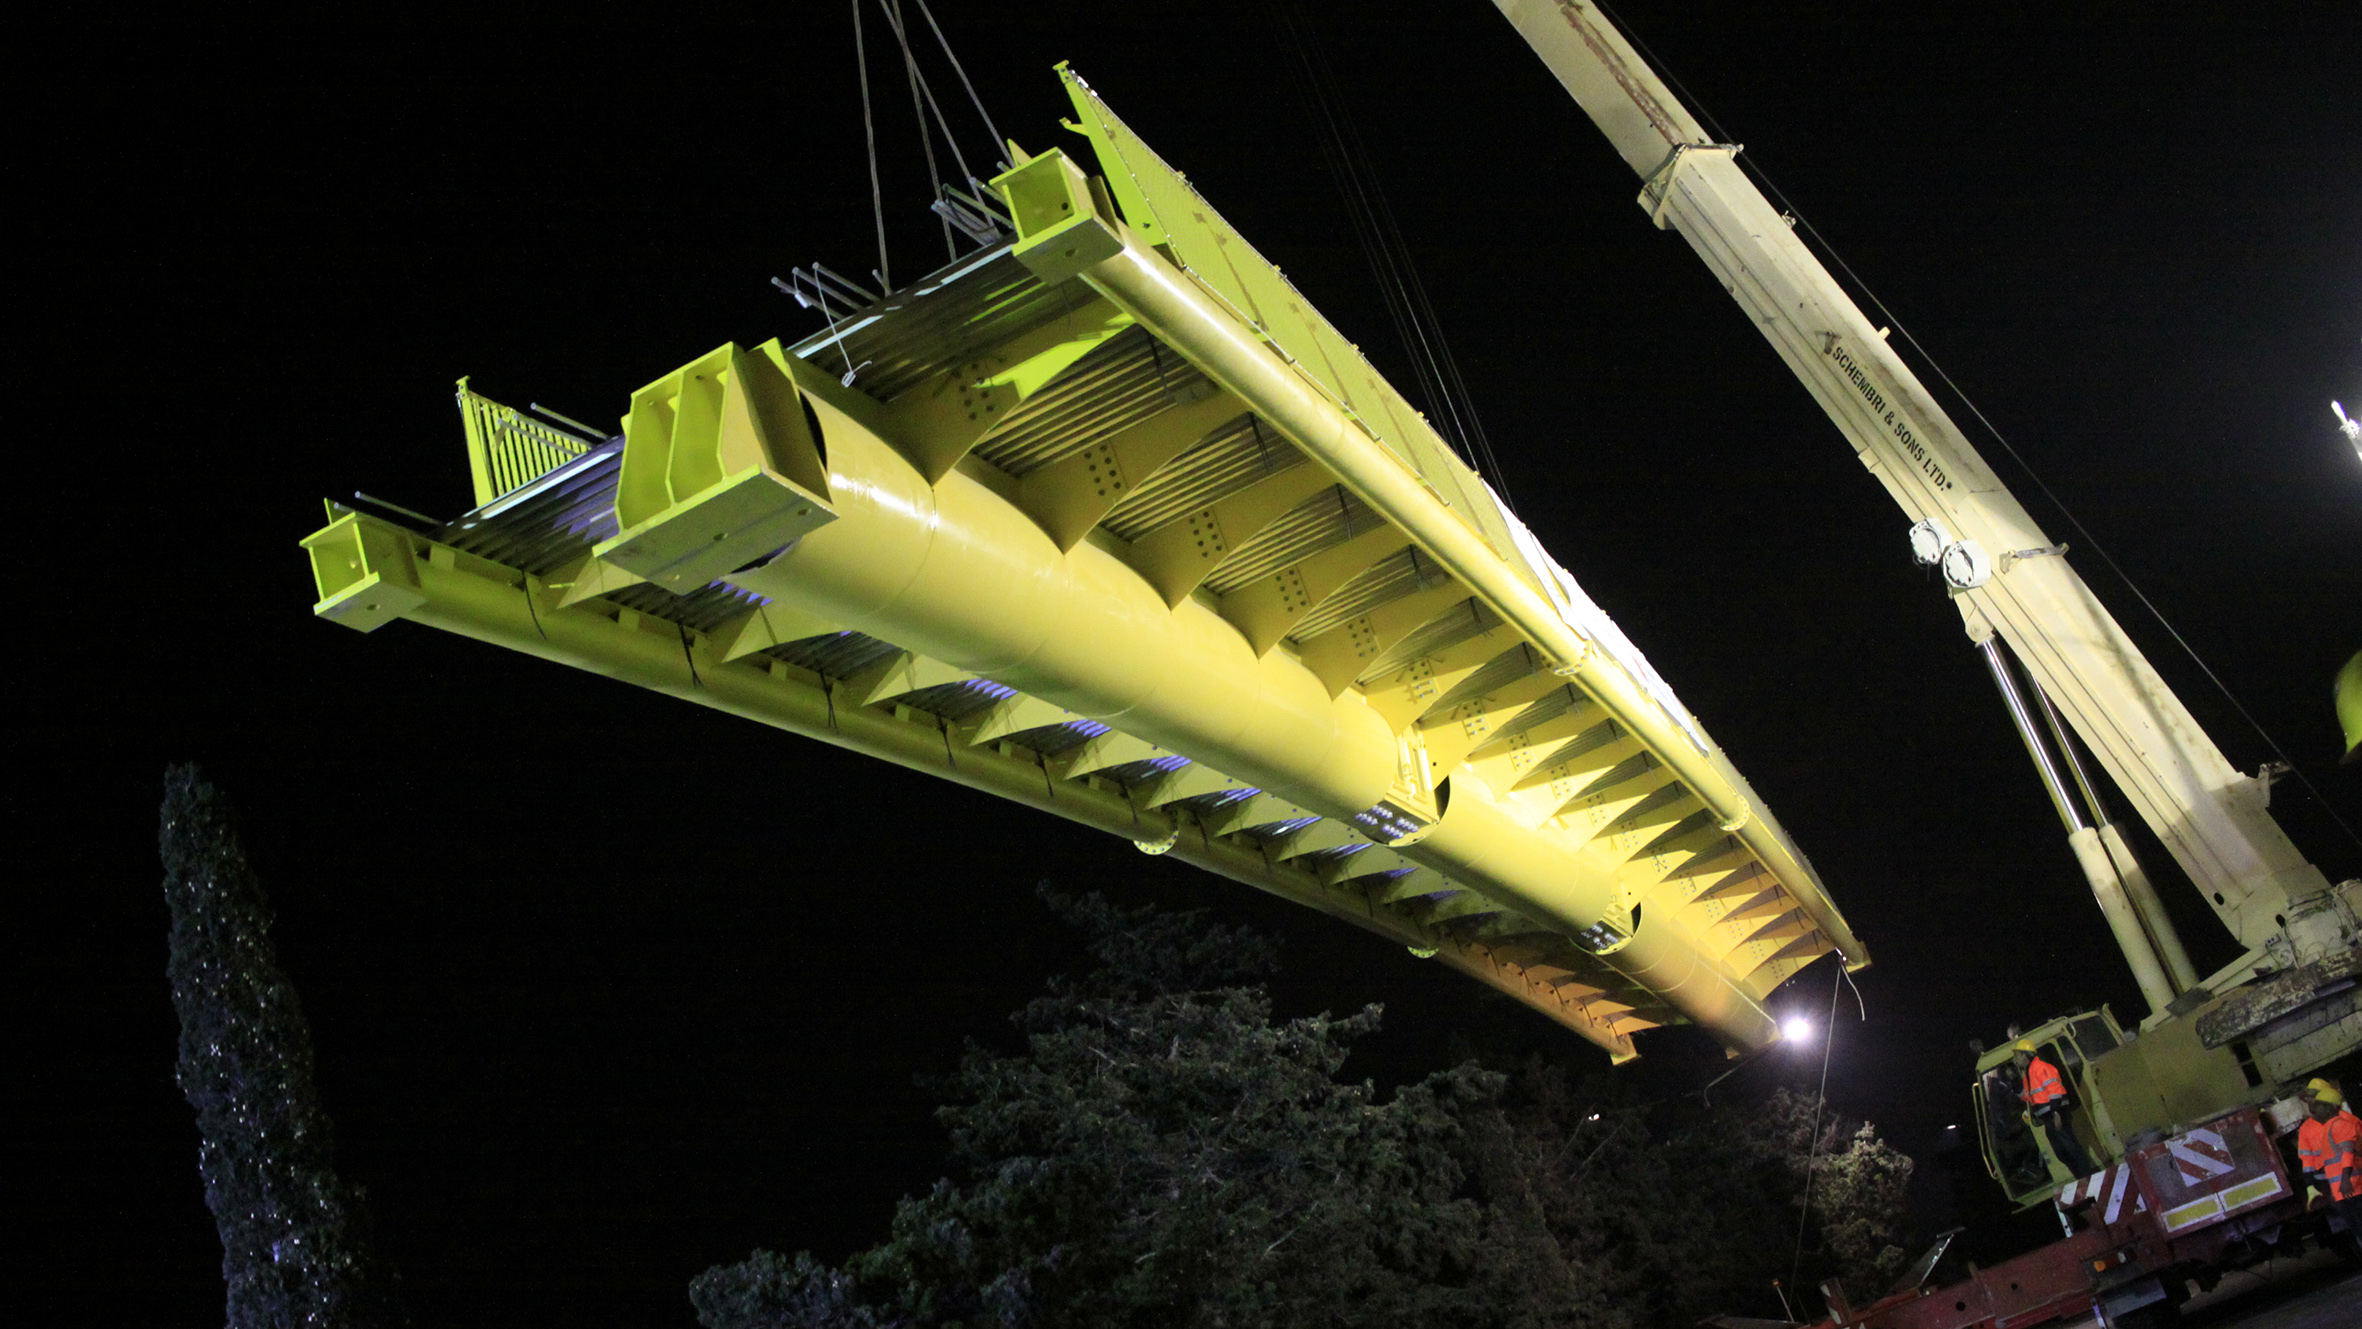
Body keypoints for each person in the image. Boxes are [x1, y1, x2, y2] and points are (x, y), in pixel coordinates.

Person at [2015, 1039, 2098, 1177]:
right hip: (2048, 1117)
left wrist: (2056, 1113)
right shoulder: (2028, 1074)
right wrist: (2015, 1088)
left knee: (2071, 1148)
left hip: (2056, 1114)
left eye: (2017, 1055)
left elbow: (2055, 1090)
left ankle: (2087, 1176)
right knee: (2061, 1152)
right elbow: (2030, 1096)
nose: (2016, 1059)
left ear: (2025, 1056)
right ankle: (2081, 1176)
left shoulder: (2042, 1068)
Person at [2298, 1083, 2362, 1244]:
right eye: (2309, 1099)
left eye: (2315, 1098)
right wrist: (2310, 1185)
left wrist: (2346, 1179)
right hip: (2337, 1188)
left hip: (2353, 1185)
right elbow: (2308, 1160)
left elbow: (2348, 1152)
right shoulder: (2312, 1128)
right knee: (2357, 1229)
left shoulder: (2344, 1123)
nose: (2311, 1102)